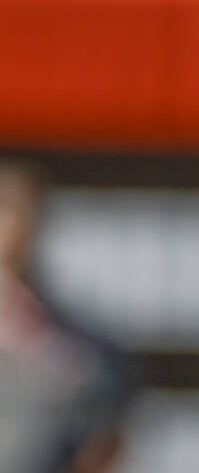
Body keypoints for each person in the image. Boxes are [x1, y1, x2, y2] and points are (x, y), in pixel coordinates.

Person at [0, 161, 137, 473]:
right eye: (6, 211)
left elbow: (109, 433)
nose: (15, 227)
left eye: (23, 213)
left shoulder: (82, 349)